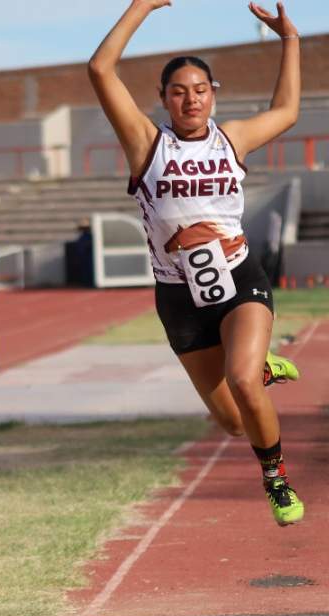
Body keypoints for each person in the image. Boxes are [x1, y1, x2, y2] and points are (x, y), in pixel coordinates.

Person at [88, 0, 306, 526]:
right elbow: (99, 69)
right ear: (163, 99)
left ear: (213, 96)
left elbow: (288, 111)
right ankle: (255, 366)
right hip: (180, 298)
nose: (191, 99)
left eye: (200, 90)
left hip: (238, 280)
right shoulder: (147, 143)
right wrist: (142, 6)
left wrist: (289, 40)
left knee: (243, 383)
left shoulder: (231, 139)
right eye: (179, 91)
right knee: (233, 422)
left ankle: (275, 478)